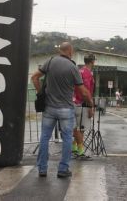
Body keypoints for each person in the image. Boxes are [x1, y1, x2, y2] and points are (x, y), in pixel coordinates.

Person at [31, 42, 93, 178]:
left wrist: (40, 92)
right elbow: (82, 91)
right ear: (70, 51)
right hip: (66, 109)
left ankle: (42, 168)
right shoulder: (72, 67)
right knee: (66, 139)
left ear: (60, 50)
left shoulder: (50, 61)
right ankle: (63, 169)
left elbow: (34, 77)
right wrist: (91, 103)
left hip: (49, 108)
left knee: (45, 138)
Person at [72, 54, 96, 159]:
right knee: (81, 129)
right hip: (82, 103)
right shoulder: (87, 73)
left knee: (76, 127)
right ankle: (80, 151)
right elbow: (85, 91)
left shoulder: (79, 71)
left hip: (74, 102)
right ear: (92, 62)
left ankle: (74, 147)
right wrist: (91, 106)